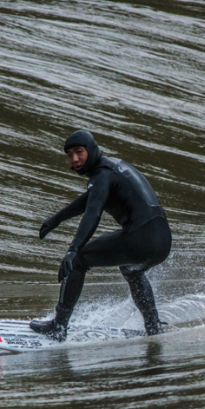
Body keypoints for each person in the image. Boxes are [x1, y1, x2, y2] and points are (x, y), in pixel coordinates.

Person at [31, 130, 172, 341]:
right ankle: (153, 325)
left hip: (142, 238)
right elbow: (92, 198)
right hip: (162, 240)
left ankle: (59, 326)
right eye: (69, 155)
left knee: (78, 261)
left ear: (91, 150)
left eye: (79, 152)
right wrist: (57, 219)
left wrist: (73, 249)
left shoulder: (102, 175)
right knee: (131, 270)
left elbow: (93, 213)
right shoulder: (112, 167)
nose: (75, 159)